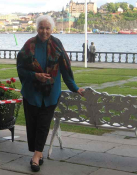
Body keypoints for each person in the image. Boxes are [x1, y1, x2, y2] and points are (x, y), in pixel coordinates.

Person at [16, 15, 84, 172]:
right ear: (36, 28)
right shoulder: (28, 45)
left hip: (51, 93)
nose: (44, 31)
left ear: (52, 29)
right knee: (32, 125)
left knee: (44, 124)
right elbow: (20, 69)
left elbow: (65, 69)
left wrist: (75, 87)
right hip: (32, 93)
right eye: (41, 27)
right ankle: (38, 154)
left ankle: (36, 156)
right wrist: (35, 76)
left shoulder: (57, 44)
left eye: (47, 28)